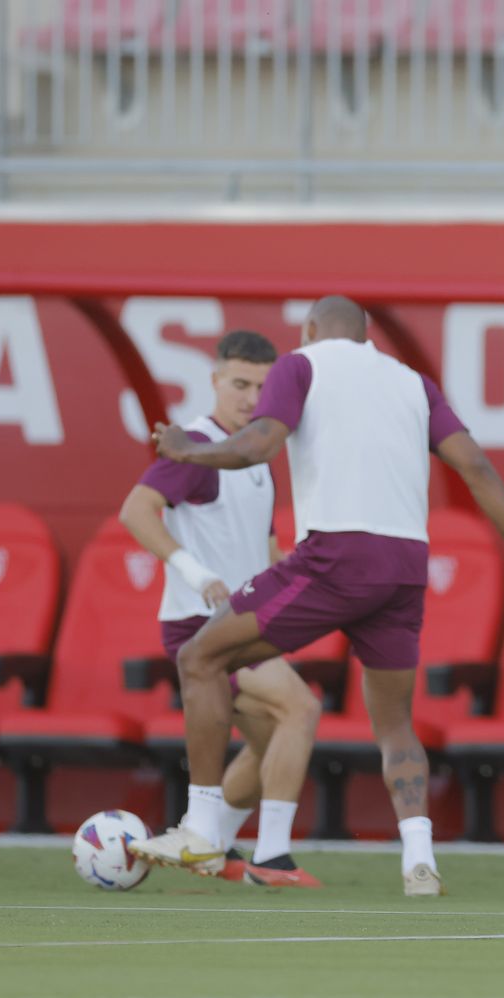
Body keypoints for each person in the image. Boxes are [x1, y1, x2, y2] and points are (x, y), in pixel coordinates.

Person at [130, 296, 504, 896]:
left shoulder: (300, 364)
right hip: (407, 564)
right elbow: (476, 465)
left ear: (309, 331)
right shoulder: (413, 382)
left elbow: (256, 443)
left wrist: (186, 449)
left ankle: (201, 826)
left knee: (198, 658)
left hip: (336, 555)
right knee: (393, 724)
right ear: (367, 338)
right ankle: (419, 857)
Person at [118, 330, 323, 888]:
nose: (251, 397)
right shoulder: (198, 445)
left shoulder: (254, 453)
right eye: (239, 383)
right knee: (299, 711)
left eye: (262, 386)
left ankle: (215, 845)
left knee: (271, 747)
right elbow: (136, 511)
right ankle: (272, 857)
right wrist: (195, 573)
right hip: (198, 623)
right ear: (213, 381)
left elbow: (265, 549)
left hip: (245, 620)